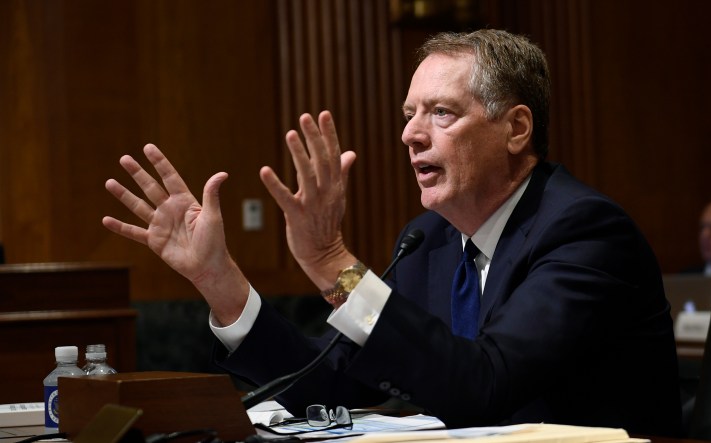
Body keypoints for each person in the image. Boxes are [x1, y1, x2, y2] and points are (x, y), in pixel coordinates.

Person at [103, 30, 681, 436]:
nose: (410, 134)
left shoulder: (583, 231)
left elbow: (485, 387)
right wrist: (218, 279)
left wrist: (331, 260)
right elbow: (330, 387)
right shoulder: (428, 240)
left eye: (441, 113)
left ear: (516, 128)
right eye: (408, 114)